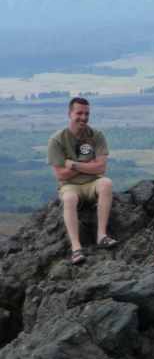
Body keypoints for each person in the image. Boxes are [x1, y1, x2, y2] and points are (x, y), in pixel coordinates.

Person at [48, 97, 117, 265]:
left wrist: (73, 165)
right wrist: (88, 164)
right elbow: (60, 175)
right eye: (79, 113)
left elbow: (101, 168)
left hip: (93, 182)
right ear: (69, 113)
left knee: (106, 183)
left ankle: (102, 235)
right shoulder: (57, 140)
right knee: (69, 199)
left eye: (87, 113)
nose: (84, 117)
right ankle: (76, 248)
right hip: (70, 186)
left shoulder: (96, 135)